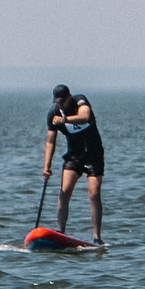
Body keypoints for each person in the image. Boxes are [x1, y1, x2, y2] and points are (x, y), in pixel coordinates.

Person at [42, 85, 105, 241]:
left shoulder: (80, 101)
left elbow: (84, 116)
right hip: (74, 156)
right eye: (58, 102)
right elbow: (50, 142)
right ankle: (60, 232)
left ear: (69, 97)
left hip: (93, 155)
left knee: (94, 194)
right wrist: (47, 166)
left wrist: (65, 120)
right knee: (64, 193)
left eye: (63, 102)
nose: (60, 105)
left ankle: (96, 237)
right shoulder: (53, 113)